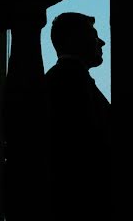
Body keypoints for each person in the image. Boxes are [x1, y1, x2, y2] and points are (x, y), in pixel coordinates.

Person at [44, 12, 111, 217]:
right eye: (93, 35)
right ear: (74, 39)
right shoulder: (72, 81)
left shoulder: (62, 78)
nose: (101, 42)